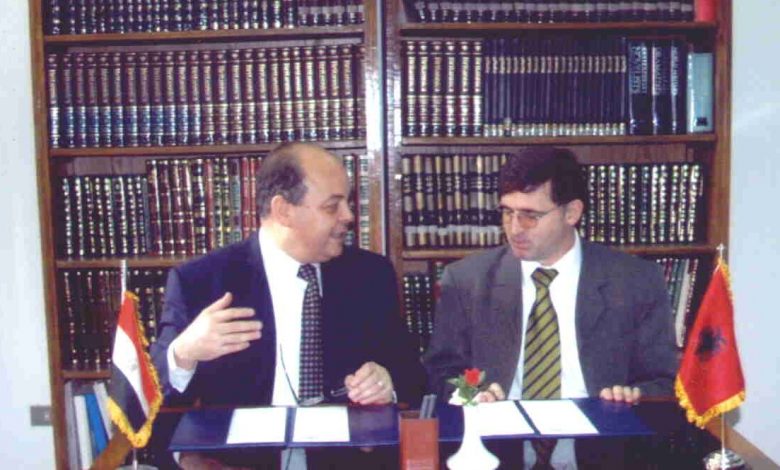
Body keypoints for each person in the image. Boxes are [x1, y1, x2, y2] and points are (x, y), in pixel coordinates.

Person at [150, 142, 425, 469]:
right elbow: (152, 402)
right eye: (332, 206)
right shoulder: (203, 282)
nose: (349, 216)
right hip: (241, 463)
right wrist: (185, 353)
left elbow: (414, 378)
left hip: (349, 462)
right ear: (283, 210)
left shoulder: (370, 275)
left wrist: (387, 384)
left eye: (348, 203)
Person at [423, 146, 678, 469]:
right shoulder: (467, 281)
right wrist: (473, 395)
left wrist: (633, 396)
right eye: (507, 212)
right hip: (497, 455)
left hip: (604, 454)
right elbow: (439, 374)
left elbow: (663, 380)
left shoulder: (634, 281)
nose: (515, 228)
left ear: (572, 213)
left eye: (530, 215)